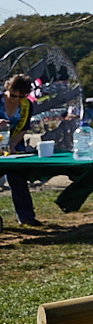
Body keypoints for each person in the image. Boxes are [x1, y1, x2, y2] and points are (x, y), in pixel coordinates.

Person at [2, 74, 42, 227]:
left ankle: (26, 216)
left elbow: (24, 128)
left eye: (20, 96)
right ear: (7, 88)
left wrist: (12, 145)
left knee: (18, 180)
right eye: (12, 95)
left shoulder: (26, 105)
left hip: (14, 145)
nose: (15, 99)